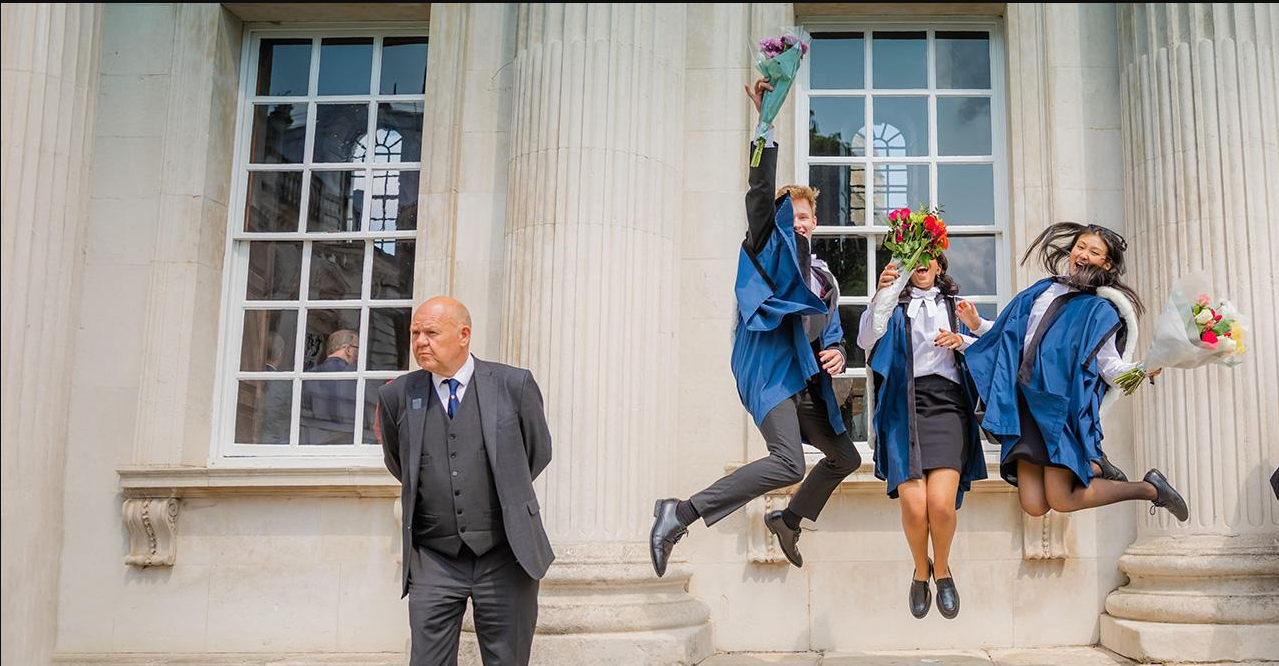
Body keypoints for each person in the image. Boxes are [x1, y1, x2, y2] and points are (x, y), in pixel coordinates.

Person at [649, 77, 861, 576]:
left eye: (809, 215)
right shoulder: (767, 246)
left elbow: (827, 332)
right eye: (797, 215)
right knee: (788, 461)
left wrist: (837, 354)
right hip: (768, 370)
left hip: (805, 379)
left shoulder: (825, 275)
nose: (803, 222)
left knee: (844, 459)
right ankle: (678, 514)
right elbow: (760, 191)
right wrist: (764, 125)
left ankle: (789, 520)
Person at [964, 223, 1189, 522]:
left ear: (1106, 263)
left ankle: (1150, 489)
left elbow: (1110, 368)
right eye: (1080, 247)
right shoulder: (1042, 290)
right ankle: (1095, 466)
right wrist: (976, 325)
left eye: (1094, 251)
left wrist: (1144, 370)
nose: (1083, 254)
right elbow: (1011, 337)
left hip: (1058, 411)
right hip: (1023, 404)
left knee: (1062, 499)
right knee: (1034, 505)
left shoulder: (1100, 310)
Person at [377, 296, 553, 666]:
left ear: (464, 335)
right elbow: (400, 465)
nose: (420, 341)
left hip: (507, 554)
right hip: (433, 557)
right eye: (415, 333)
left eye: (431, 332)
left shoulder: (513, 385)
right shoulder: (396, 395)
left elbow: (536, 454)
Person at [861, 255, 988, 619]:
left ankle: (943, 569)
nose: (921, 262)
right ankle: (921, 571)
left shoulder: (955, 306)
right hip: (902, 406)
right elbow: (866, 340)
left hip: (947, 407)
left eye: (928, 256)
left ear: (939, 267)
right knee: (915, 508)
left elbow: (994, 346)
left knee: (941, 505)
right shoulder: (893, 303)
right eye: (913, 257)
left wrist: (963, 338)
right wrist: (881, 294)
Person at [299, 329, 359, 444]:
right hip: (346, 441)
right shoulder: (355, 377)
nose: (359, 354)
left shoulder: (308, 376)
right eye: (358, 349)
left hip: (312, 441)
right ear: (348, 350)